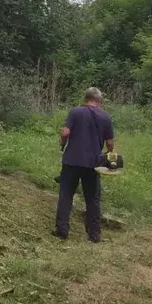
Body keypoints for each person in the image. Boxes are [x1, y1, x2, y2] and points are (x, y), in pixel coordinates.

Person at [54, 87, 115, 243]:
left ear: (85, 98)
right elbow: (109, 143)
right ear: (99, 101)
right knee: (93, 198)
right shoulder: (106, 116)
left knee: (66, 194)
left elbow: (65, 133)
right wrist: (110, 156)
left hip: (71, 160)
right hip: (93, 163)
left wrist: (63, 143)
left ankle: (62, 229)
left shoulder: (75, 112)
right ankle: (94, 235)